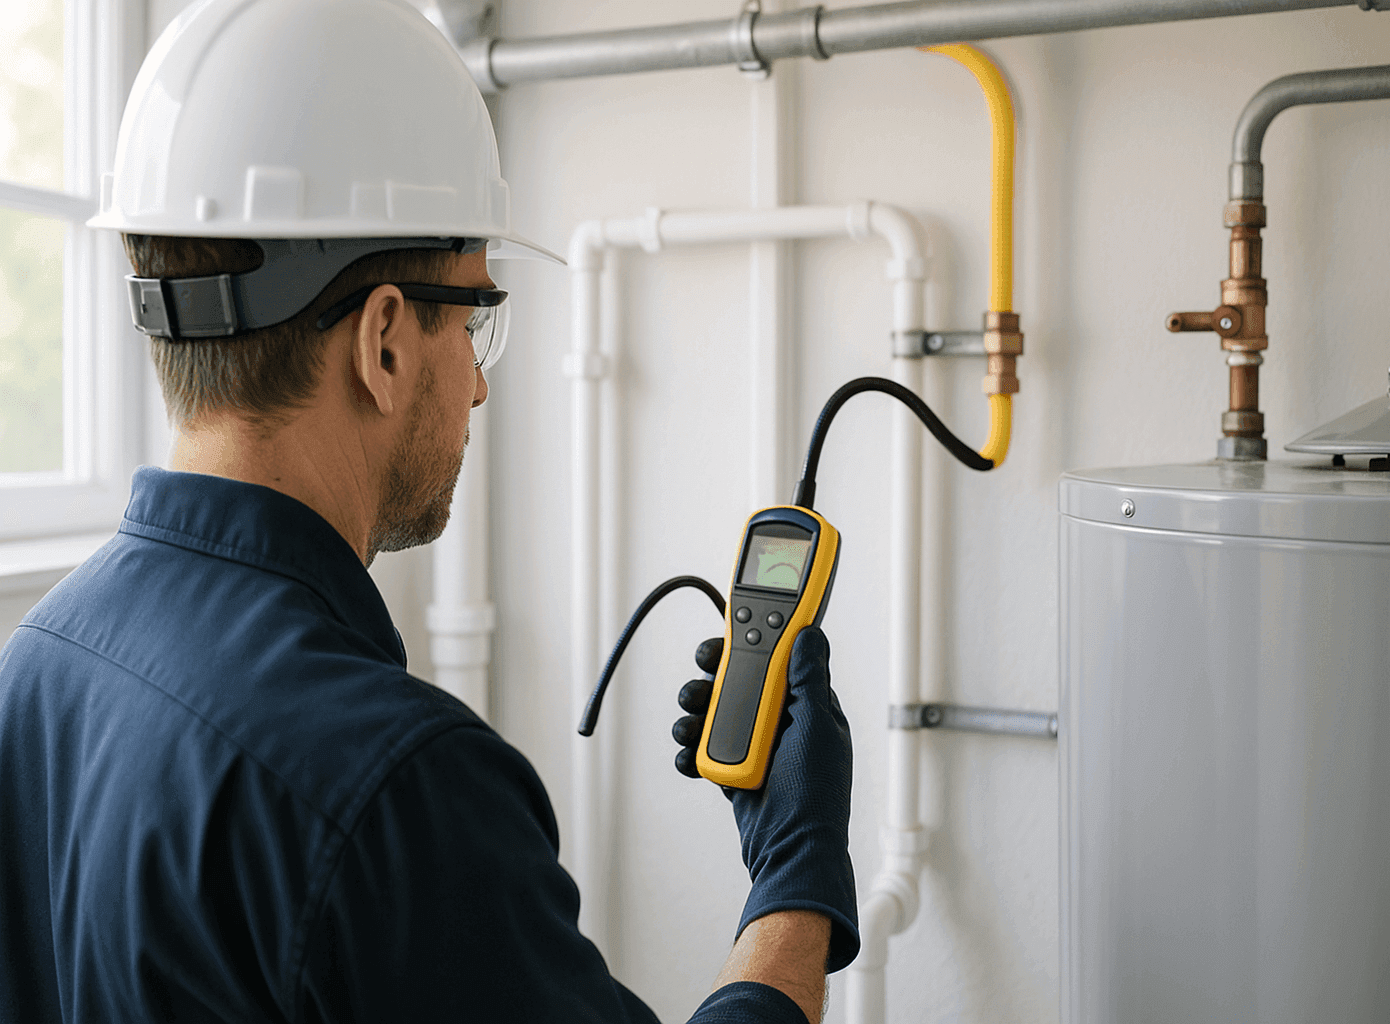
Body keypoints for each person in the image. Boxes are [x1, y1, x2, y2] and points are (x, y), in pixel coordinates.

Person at [0, 0, 857, 1021]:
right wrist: (797, 875)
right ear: (387, 343)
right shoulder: (394, 788)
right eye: (475, 324)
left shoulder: (36, 665)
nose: (480, 387)